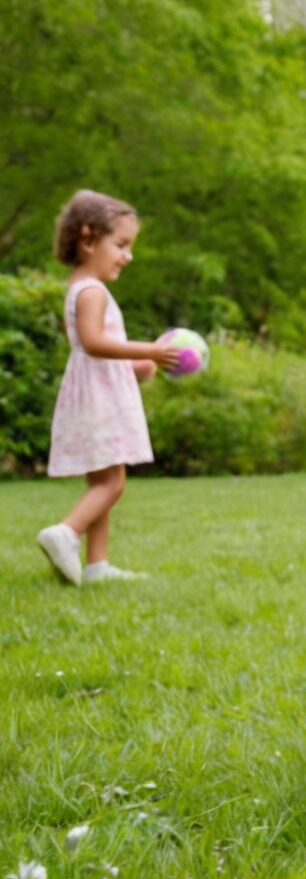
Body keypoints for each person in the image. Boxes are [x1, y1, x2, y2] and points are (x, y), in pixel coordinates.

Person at [37, 190, 181, 586]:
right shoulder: (92, 291)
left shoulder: (80, 288)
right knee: (112, 483)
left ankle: (97, 564)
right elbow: (92, 342)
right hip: (100, 402)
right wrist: (149, 348)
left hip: (95, 392)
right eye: (120, 245)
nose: (127, 256)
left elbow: (93, 353)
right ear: (87, 240)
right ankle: (65, 532)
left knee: (101, 480)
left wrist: (136, 365)